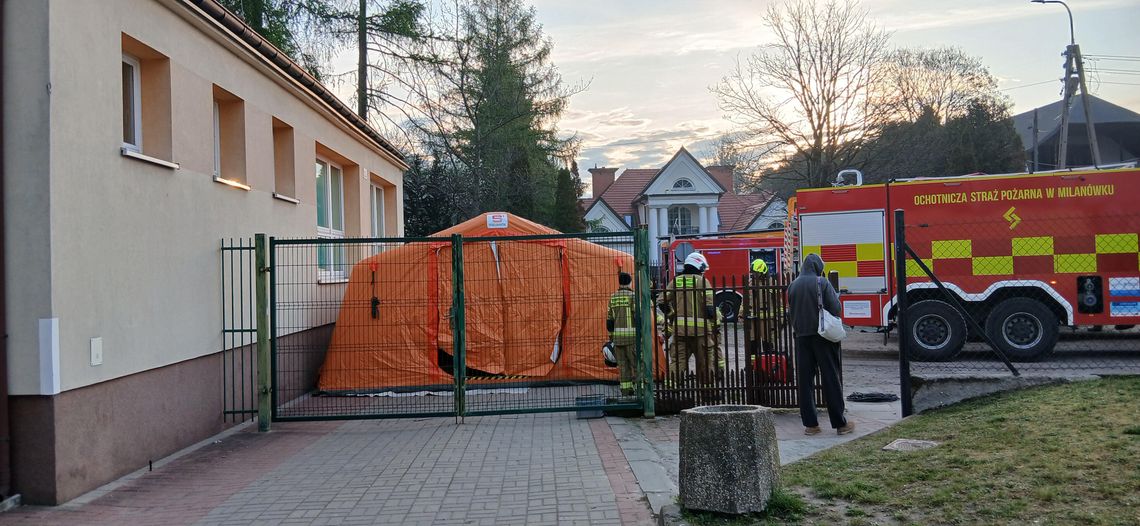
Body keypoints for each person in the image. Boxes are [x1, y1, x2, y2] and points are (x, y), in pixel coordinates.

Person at [787, 253, 854, 436]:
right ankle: (840, 424)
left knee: (805, 382)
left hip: (802, 338)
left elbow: (790, 312)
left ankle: (811, 425)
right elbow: (836, 308)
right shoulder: (821, 282)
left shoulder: (792, 285)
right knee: (830, 378)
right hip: (822, 337)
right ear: (818, 267)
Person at [662, 252, 722, 386]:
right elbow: (710, 309)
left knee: (677, 362)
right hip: (700, 333)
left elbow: (662, 301)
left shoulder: (676, 281)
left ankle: (670, 392)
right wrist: (714, 325)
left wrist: (672, 315)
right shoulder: (702, 281)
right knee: (705, 363)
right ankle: (707, 393)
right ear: (697, 266)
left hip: (680, 332)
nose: (702, 272)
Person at [607, 272, 638, 396]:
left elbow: (609, 320)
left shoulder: (613, 297)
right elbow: (637, 317)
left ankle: (626, 392)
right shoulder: (632, 296)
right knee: (636, 366)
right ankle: (639, 392)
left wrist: (612, 336)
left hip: (618, 339)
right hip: (632, 338)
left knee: (623, 367)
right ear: (630, 282)